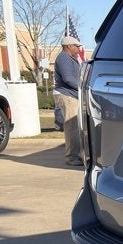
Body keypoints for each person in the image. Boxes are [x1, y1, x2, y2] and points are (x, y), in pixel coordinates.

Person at [53, 36, 83, 166]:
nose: (78, 49)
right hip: (67, 95)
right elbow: (68, 78)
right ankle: (71, 157)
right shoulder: (64, 58)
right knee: (72, 127)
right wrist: (84, 87)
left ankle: (77, 155)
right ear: (68, 46)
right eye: (76, 46)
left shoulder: (71, 58)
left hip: (72, 95)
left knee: (76, 127)